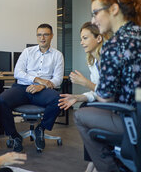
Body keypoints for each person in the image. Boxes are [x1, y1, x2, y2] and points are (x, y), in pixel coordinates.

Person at [74, 0, 141, 172]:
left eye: (96, 13)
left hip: (133, 119)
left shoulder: (114, 45)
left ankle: (109, 168)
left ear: (114, 9)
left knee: (81, 115)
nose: (94, 20)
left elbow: (106, 97)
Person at [0, 23, 64, 152]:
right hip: (22, 88)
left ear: (52, 36)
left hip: (43, 91)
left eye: (46, 34)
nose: (42, 38)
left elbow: (58, 79)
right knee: (1, 100)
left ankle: (41, 128)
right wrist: (37, 80)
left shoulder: (57, 55)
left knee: (58, 99)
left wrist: (42, 86)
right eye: (39, 35)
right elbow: (18, 72)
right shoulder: (28, 52)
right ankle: (15, 136)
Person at [58, 22, 104, 172]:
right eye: (81, 39)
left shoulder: (108, 59)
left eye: (85, 38)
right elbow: (96, 92)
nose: (81, 42)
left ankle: (97, 162)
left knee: (86, 112)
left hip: (114, 102)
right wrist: (77, 97)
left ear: (99, 38)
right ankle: (94, 160)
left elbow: (108, 92)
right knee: (84, 107)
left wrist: (85, 82)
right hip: (103, 100)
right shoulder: (92, 60)